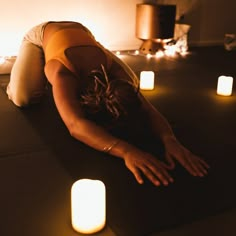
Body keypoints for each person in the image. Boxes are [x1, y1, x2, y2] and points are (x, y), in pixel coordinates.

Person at [6, 21, 209, 186]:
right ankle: (21, 73)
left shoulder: (116, 74)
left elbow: (147, 107)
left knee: (134, 83)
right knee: (23, 97)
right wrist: (126, 151)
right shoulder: (62, 72)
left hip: (83, 34)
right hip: (41, 34)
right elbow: (76, 125)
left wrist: (170, 140)